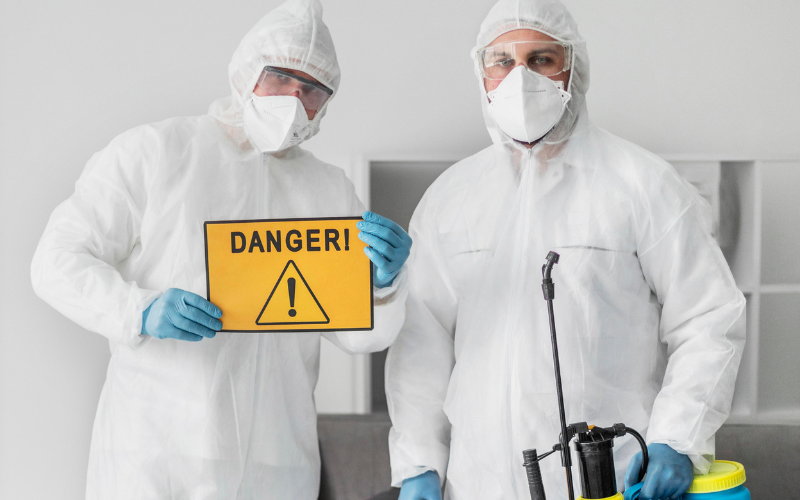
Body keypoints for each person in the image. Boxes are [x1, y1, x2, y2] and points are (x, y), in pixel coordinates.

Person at [30, 0, 411, 498]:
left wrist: (382, 282)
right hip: (158, 453)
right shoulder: (158, 152)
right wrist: (139, 310)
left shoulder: (329, 191)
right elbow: (55, 261)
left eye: (312, 89)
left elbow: (358, 336)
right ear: (246, 68)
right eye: (279, 76)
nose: (295, 100)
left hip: (277, 461)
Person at [386, 1, 745, 500]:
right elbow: (420, 345)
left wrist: (677, 438)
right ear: (482, 74)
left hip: (612, 477)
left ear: (573, 69)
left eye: (541, 59)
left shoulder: (642, 183)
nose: (520, 78)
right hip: (478, 481)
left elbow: (707, 317)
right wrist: (420, 462)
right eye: (502, 61)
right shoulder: (452, 198)